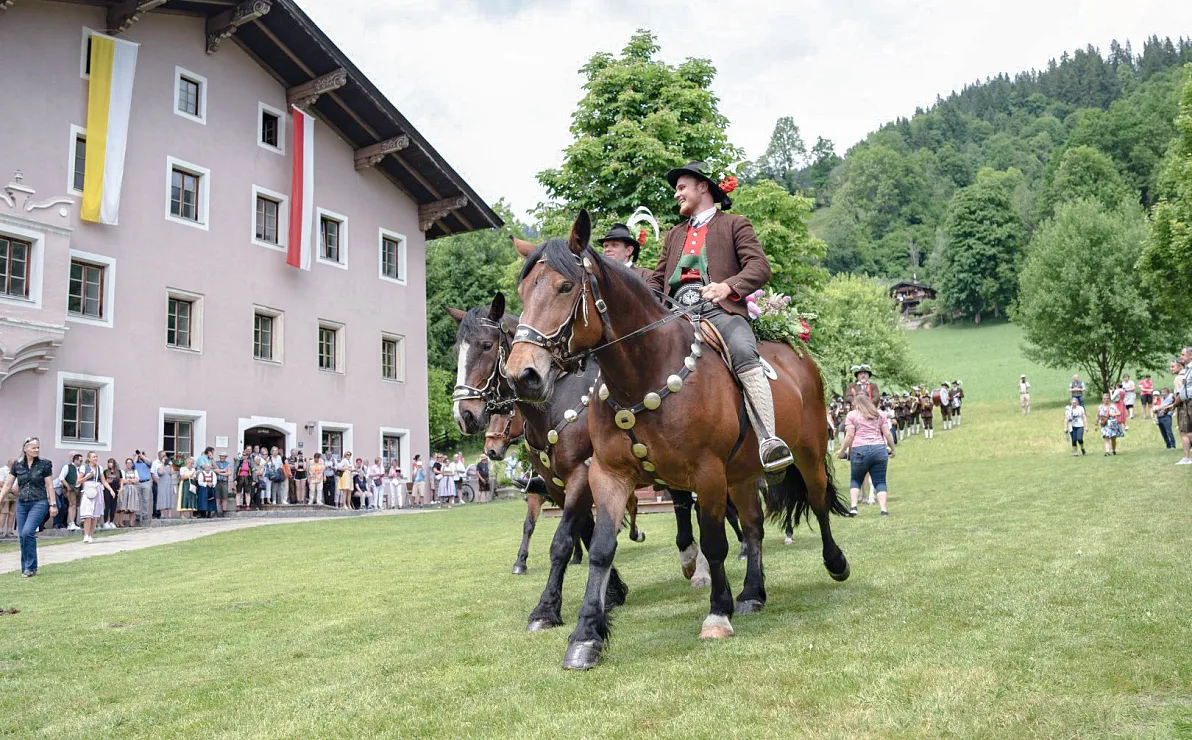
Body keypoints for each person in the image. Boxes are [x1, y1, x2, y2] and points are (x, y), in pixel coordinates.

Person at [647, 161, 792, 473]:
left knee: (742, 348)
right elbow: (656, 281)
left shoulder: (735, 224)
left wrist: (728, 287)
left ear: (703, 187)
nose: (677, 194)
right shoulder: (673, 235)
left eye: (681, 187)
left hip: (721, 313)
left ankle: (769, 441)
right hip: (675, 316)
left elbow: (759, 267)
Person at [0, 438, 56, 577]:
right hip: (22, 503)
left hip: (39, 502)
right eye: (33, 448)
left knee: (27, 532)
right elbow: (7, 485)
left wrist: (53, 504)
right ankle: (27, 567)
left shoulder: (44, 464)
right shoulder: (17, 465)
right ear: (25, 449)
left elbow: (49, 485)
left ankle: (30, 567)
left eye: (38, 447)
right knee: (22, 536)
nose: (36, 450)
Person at [837, 393, 896, 516]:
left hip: (859, 450)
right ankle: (883, 509)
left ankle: (853, 507)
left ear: (855, 404)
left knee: (856, 479)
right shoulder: (879, 414)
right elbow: (888, 434)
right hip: (879, 449)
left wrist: (842, 451)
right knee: (880, 481)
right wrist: (893, 448)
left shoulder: (852, 415)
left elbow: (849, 436)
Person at [78, 451, 108, 543]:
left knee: (95, 515)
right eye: (94, 457)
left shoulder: (99, 468)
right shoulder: (84, 467)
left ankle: (90, 534)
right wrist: (87, 476)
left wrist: (110, 490)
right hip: (88, 490)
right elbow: (78, 481)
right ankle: (86, 535)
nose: (96, 458)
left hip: (97, 490)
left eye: (96, 456)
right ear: (89, 458)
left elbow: (103, 480)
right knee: (88, 514)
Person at [54, 452, 82, 531]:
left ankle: (73, 522)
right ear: (75, 460)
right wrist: (68, 486)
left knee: (75, 505)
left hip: (77, 488)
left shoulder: (79, 469)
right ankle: (71, 523)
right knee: (71, 505)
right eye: (80, 461)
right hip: (70, 488)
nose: (81, 463)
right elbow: (61, 477)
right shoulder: (68, 467)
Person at [1172, 356, 1192, 465]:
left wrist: (1174, 404)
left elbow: (1180, 394)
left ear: (1180, 366)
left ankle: (1187, 458)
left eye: (1173, 366)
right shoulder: (1187, 373)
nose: (1171, 369)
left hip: (1183, 406)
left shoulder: (1179, 378)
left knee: (1184, 432)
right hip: (1186, 404)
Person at [118, 458, 141, 528]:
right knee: (123, 506)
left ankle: (131, 522)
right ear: (126, 464)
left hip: (133, 489)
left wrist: (129, 480)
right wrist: (131, 480)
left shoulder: (135, 471)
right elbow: (123, 481)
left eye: (130, 463)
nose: (129, 464)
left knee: (132, 505)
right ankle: (120, 522)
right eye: (128, 463)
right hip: (125, 489)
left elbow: (137, 480)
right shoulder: (122, 471)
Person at [134, 451, 154, 524]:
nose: (140, 456)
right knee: (137, 500)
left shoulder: (146, 463)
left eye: (141, 455)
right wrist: (135, 456)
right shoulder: (135, 464)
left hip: (146, 482)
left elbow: (150, 462)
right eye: (139, 455)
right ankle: (137, 516)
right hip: (137, 483)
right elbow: (131, 464)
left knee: (146, 500)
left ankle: (145, 515)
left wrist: (143, 457)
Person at [101, 459, 120, 529]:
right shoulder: (105, 472)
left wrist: (120, 489)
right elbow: (104, 481)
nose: (109, 464)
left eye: (111, 463)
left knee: (113, 506)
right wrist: (108, 481)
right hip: (107, 489)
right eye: (108, 462)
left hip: (115, 489)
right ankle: (106, 522)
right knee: (107, 505)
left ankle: (111, 521)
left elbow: (120, 480)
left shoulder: (118, 472)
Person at [0, 457, 14, 539]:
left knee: (12, 514)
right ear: (10, 464)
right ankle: (0, 531)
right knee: (4, 512)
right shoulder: (3, 470)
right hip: (5, 493)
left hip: (14, 494)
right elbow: (1, 482)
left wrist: (17, 489)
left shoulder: (16, 472)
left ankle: (9, 532)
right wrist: (10, 488)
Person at [215, 451, 233, 515]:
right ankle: (217, 511)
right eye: (221, 456)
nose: (222, 457)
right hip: (217, 481)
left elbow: (229, 473)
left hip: (224, 481)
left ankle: (224, 511)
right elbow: (215, 470)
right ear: (219, 457)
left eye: (223, 456)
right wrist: (223, 472)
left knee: (225, 497)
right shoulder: (216, 463)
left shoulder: (228, 464)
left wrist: (219, 472)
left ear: (225, 457)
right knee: (217, 497)